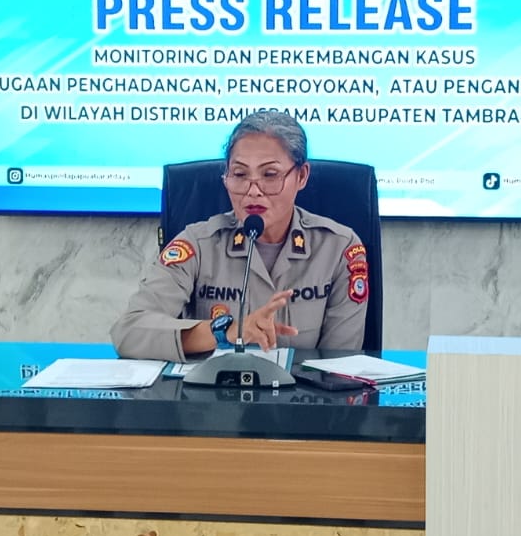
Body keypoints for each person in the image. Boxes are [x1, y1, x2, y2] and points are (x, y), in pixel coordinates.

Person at [112, 110, 369, 361]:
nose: (253, 190)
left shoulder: (338, 249)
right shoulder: (197, 244)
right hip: (212, 390)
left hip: (303, 391)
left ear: (301, 176)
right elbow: (129, 332)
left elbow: (340, 366)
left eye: (270, 175)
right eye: (240, 174)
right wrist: (225, 331)